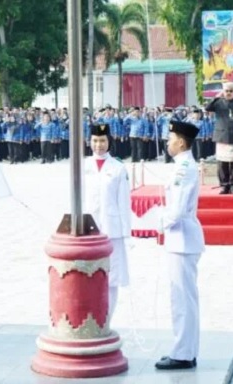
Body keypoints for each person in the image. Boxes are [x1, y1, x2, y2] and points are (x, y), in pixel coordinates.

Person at [155, 120, 205, 370]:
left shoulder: (184, 168)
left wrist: (160, 223)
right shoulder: (181, 165)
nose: (167, 141)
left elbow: (177, 208)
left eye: (171, 137)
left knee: (182, 299)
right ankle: (186, 350)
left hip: (182, 238)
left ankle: (183, 354)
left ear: (181, 142)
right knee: (184, 298)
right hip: (181, 239)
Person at [83, 123, 131, 322]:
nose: (99, 145)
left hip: (113, 230)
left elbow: (124, 202)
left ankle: (106, 321)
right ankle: (91, 319)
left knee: (112, 277)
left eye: (102, 141)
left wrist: (126, 233)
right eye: (95, 140)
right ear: (89, 141)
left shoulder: (118, 168)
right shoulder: (83, 166)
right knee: (89, 275)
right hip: (88, 228)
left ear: (109, 141)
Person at [205, 82, 233, 194]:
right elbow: (207, 108)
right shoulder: (218, 103)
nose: (228, 93)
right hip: (221, 136)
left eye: (231, 91)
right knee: (222, 163)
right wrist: (216, 97)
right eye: (226, 91)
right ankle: (224, 186)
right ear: (223, 91)